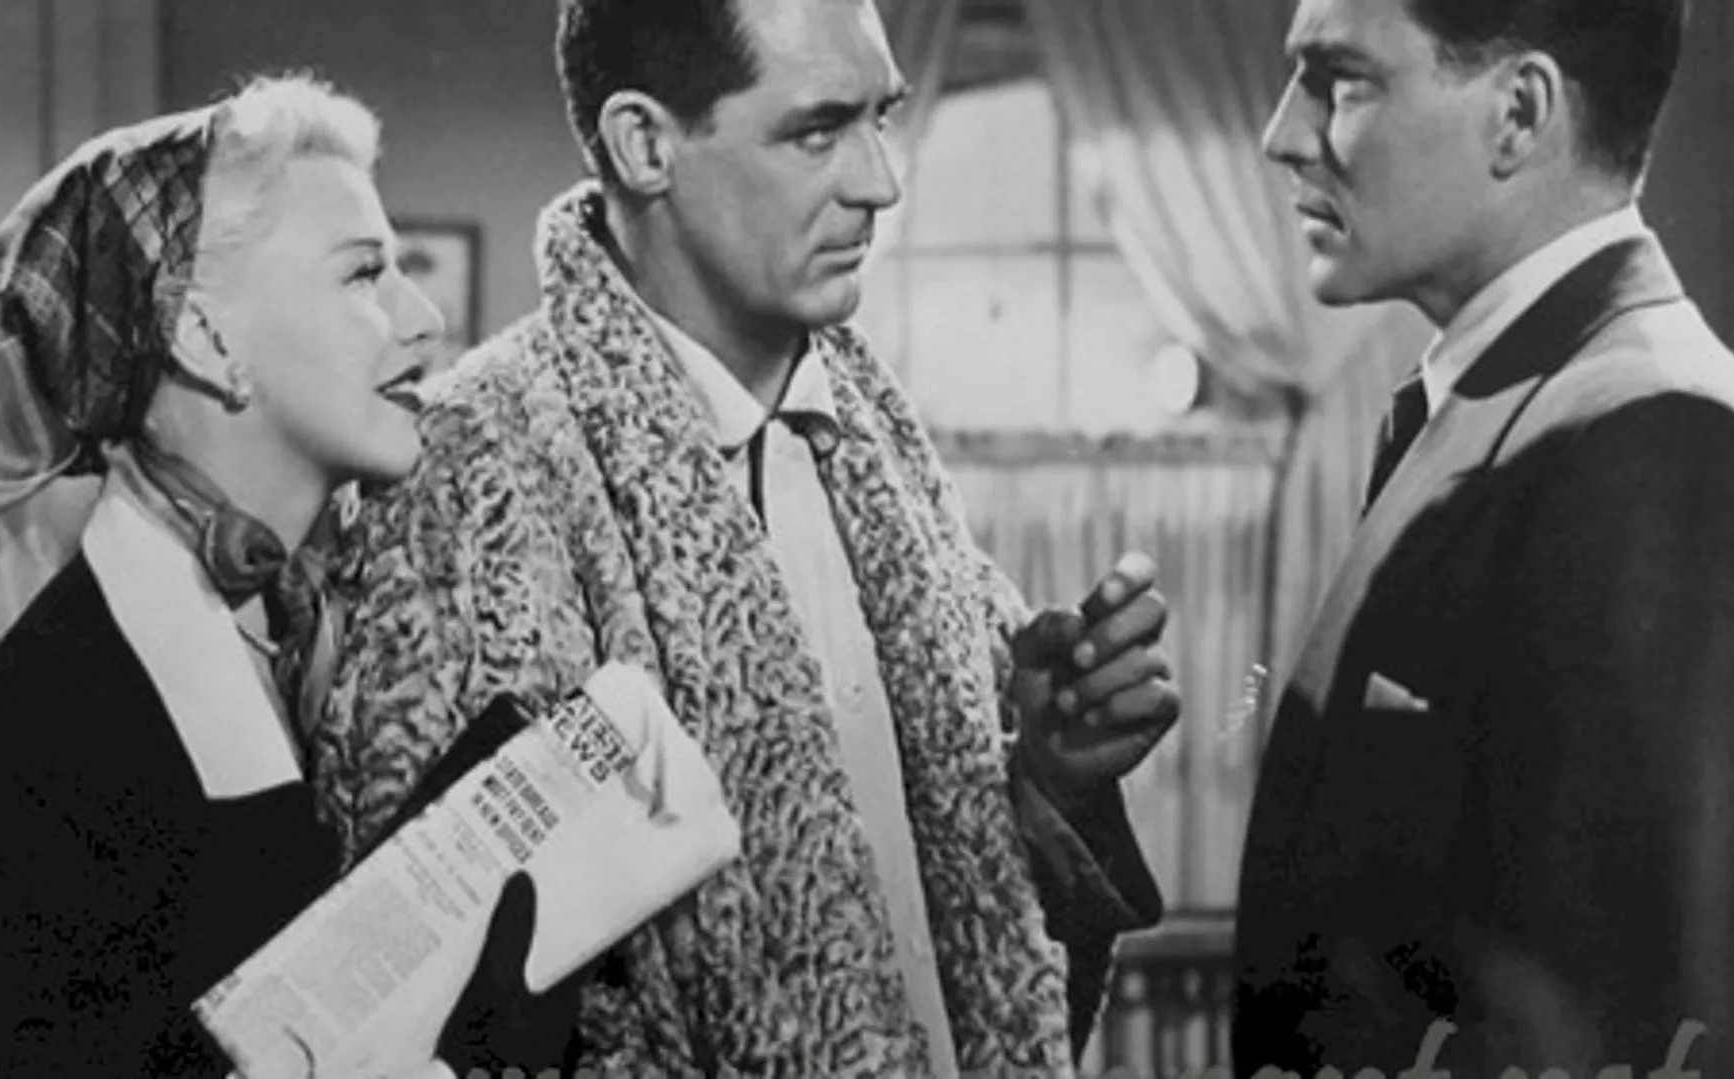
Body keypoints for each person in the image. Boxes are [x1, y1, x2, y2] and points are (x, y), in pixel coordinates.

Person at [311, 0, 1181, 1074]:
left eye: (880, 119)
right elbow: (409, 1013)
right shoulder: (464, 472)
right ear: (645, 145)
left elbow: (980, 937)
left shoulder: (887, 451)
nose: (881, 183)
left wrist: (1047, 775)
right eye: (817, 131)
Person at [0, 75, 575, 1077]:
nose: (426, 318)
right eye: (363, 274)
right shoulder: (52, 734)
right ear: (205, 337)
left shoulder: (295, 634)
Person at [1234, 0, 1734, 1074]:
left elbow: (1690, 1027)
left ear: (1520, 113)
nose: (1283, 133)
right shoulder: (1507, 406)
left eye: (1342, 80)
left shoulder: (1664, 444)